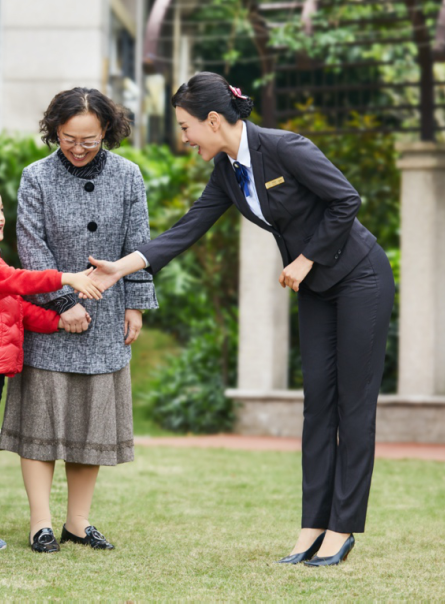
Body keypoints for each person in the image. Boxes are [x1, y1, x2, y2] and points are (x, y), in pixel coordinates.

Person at [88, 72, 395, 567]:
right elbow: (185, 230)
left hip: (360, 278)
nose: (184, 138)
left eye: (186, 127)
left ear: (213, 120)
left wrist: (305, 258)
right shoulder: (228, 172)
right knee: (318, 404)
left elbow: (346, 200)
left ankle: (342, 528)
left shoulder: (285, 148)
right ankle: (311, 526)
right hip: (316, 287)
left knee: (353, 407)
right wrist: (119, 269)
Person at [0, 88, 159, 553]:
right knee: (42, 422)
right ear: (55, 130)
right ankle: (40, 523)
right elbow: (30, 245)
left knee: (93, 422)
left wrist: (135, 304)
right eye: (69, 138)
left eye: (89, 139)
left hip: (108, 317)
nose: (79, 148)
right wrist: (61, 301)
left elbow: (139, 243)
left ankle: (78, 522)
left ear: (106, 131)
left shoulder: (129, 176)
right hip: (50, 318)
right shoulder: (36, 177)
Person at [0, 181, 103, 556]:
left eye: (1, 208)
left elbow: (17, 307)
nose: (1, 216)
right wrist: (66, 278)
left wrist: (58, 322)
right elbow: (19, 281)